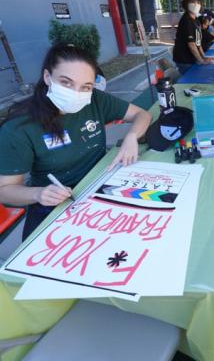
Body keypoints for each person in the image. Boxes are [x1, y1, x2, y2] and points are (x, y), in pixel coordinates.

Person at [0, 44, 152, 240]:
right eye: (66, 82)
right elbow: (4, 191)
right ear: (47, 77)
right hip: (55, 206)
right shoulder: (18, 128)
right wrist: (38, 194)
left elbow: (142, 114)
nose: (76, 92)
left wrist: (132, 136)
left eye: (85, 86)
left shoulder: (95, 100)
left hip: (103, 187)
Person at [172, 0, 214, 74]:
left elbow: (198, 43)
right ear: (186, 3)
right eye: (192, 1)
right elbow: (191, 44)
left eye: (198, 2)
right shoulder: (186, 20)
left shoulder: (196, 20)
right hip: (184, 60)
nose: (195, 4)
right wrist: (202, 61)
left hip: (192, 58)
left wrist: (204, 57)